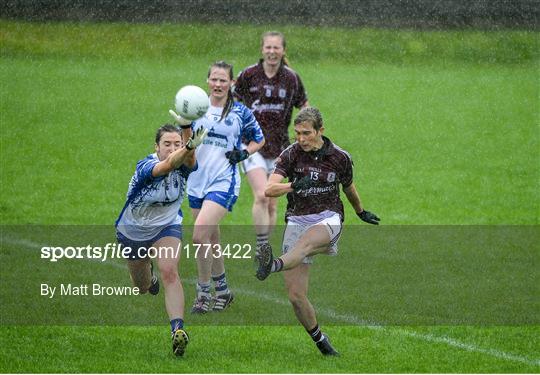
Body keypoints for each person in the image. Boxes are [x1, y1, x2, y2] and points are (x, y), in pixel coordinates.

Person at [256, 107, 380, 356]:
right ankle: (321, 340)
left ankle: (271, 265)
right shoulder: (290, 155)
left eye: (306, 133)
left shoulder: (340, 157)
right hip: (298, 218)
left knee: (305, 245)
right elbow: (268, 190)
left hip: (329, 218)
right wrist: (293, 185)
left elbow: (348, 187)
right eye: (297, 133)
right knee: (295, 296)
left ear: (320, 131)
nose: (301, 139)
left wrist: (360, 211)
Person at [115, 123, 208, 357]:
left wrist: (188, 132)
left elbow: (188, 159)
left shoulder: (185, 165)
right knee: (142, 287)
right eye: (166, 144)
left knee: (170, 271)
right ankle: (149, 275)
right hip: (133, 231)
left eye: (176, 143)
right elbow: (168, 164)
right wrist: (187, 145)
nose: (171, 148)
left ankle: (177, 331)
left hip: (166, 226)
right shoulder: (146, 166)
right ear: (156, 146)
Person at [183, 61, 265, 314]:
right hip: (196, 180)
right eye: (214, 79)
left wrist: (243, 152)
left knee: (198, 237)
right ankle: (224, 291)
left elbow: (259, 140)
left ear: (232, 84)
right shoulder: (195, 108)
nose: (218, 85)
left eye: (223, 80)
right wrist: (186, 130)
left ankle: (202, 293)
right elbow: (185, 146)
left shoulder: (240, 112)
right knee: (211, 239)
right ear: (207, 81)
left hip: (224, 181)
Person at [233, 31, 309, 255]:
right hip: (252, 145)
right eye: (268, 47)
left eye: (277, 48)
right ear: (262, 49)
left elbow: (304, 104)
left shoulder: (291, 78)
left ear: (283, 51)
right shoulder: (248, 75)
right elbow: (233, 102)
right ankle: (261, 245)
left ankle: (266, 246)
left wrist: (305, 131)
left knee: (273, 202)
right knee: (262, 195)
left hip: (280, 146)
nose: (272, 52)